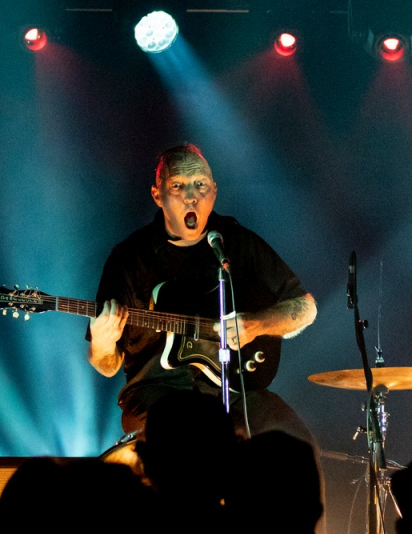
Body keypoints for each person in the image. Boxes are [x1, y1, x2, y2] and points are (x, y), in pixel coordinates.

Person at [87, 144, 318, 441]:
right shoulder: (129, 259)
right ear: (158, 195)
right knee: (191, 444)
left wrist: (257, 324)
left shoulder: (235, 242)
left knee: (296, 443)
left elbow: (304, 306)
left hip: (236, 389)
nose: (191, 195)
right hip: (157, 393)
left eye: (200, 185)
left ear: (214, 192)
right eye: (177, 185)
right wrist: (102, 345)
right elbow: (108, 366)